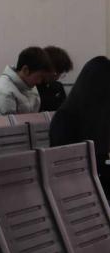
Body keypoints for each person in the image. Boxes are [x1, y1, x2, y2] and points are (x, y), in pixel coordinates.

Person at [50, 56, 110, 195]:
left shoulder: (101, 114)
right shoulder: (66, 117)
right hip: (79, 185)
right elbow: (63, 165)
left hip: (97, 178)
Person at [0, 46, 52, 115]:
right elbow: (6, 121)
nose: (39, 82)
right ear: (25, 70)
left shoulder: (29, 86)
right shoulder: (4, 92)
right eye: (39, 77)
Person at [39, 46, 73, 112]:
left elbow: (63, 111)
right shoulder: (31, 87)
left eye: (61, 73)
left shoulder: (58, 87)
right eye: (55, 73)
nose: (57, 78)